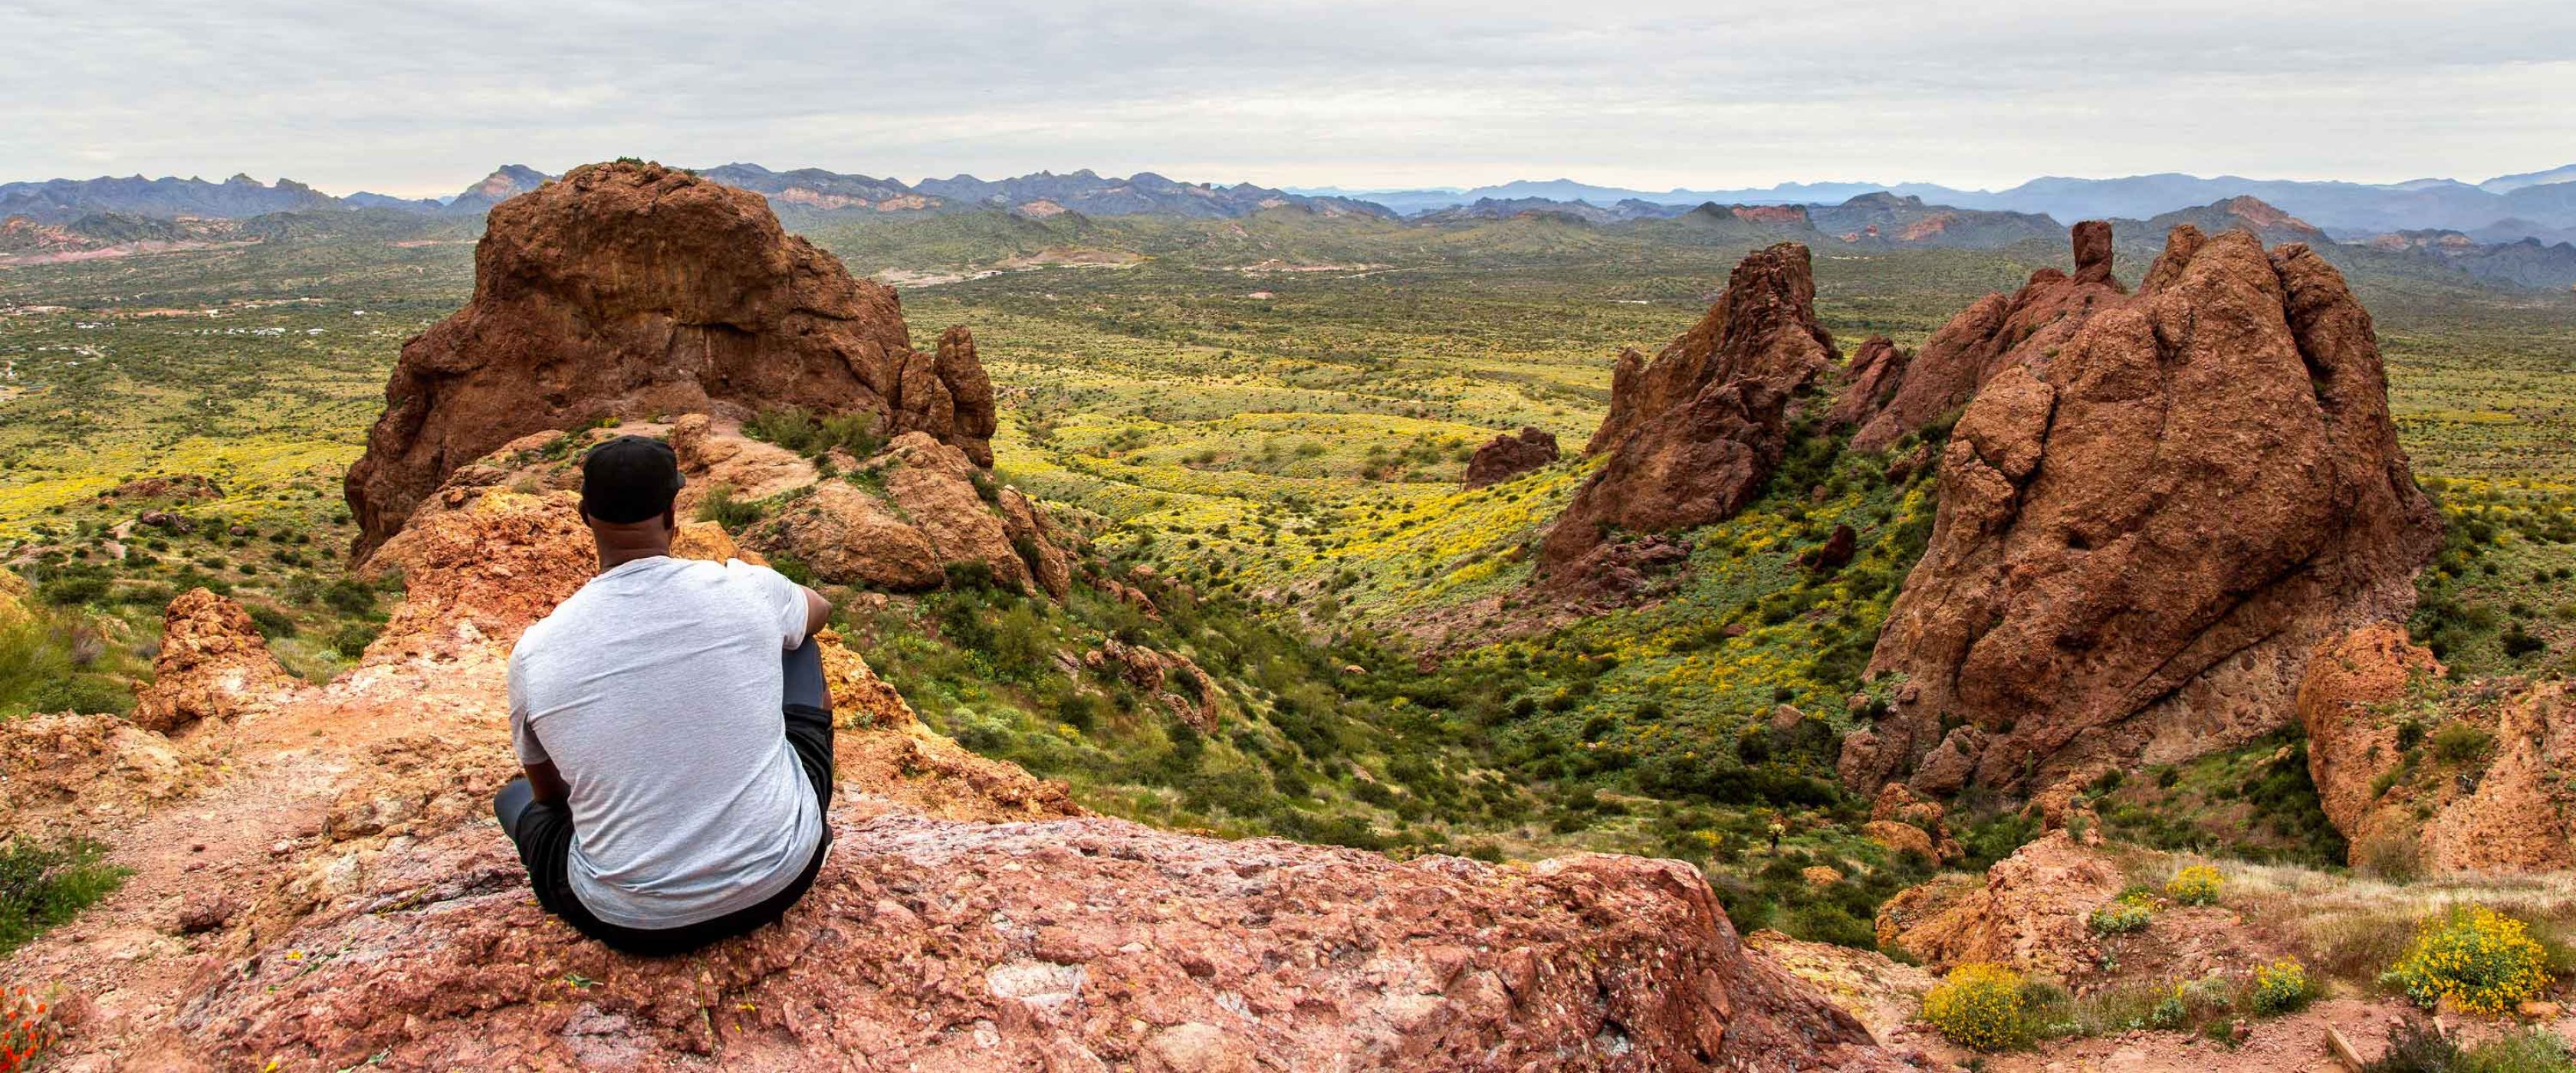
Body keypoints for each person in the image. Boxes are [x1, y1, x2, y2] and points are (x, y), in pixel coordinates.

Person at [492, 434, 836, 956]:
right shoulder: (745, 589)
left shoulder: (536, 652)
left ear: (585, 515)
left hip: (628, 923)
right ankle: (780, 816)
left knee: (513, 800)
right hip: (785, 873)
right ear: (674, 512)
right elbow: (819, 608)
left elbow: (552, 797)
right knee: (800, 645)